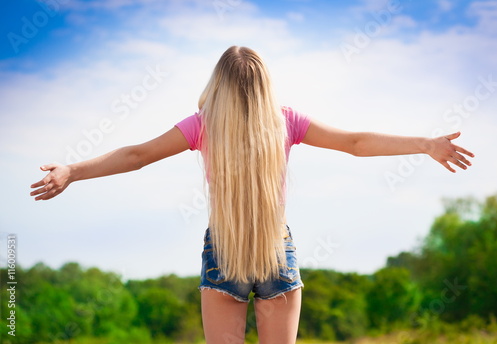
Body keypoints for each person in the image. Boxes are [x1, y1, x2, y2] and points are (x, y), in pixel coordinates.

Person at [30, 46, 474, 344]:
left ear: (219, 83)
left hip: (223, 250)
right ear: (265, 83)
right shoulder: (284, 120)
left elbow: (136, 155)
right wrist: (425, 144)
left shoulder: (202, 124)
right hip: (275, 250)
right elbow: (356, 143)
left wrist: (72, 171)